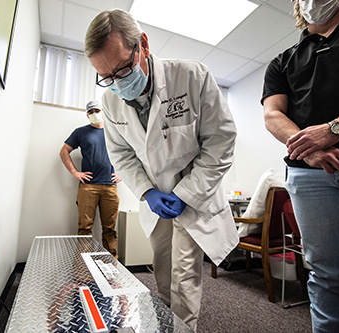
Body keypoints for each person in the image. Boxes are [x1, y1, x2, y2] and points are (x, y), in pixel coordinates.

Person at [85, 9, 238, 330]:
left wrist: (186, 193)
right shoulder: (110, 101)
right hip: (155, 203)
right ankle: (168, 323)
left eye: (122, 69)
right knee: (164, 271)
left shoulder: (192, 77)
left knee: (184, 277)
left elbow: (220, 143)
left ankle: (184, 327)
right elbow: (122, 155)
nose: (116, 83)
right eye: (106, 77)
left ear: (143, 45)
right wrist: (147, 191)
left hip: (194, 198)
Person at [262, 0, 339, 331]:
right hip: (309, 176)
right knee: (328, 274)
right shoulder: (284, 60)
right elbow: (273, 115)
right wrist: (311, 152)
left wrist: (334, 129)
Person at [60, 100, 121, 258]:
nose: (95, 114)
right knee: (84, 229)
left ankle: (111, 268)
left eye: (97, 110)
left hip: (110, 186)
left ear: (103, 111)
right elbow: (64, 151)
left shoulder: (113, 131)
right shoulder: (80, 132)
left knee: (110, 229)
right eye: (91, 111)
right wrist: (75, 173)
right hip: (88, 187)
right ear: (87, 115)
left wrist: (122, 173)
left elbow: (129, 152)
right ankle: (83, 270)